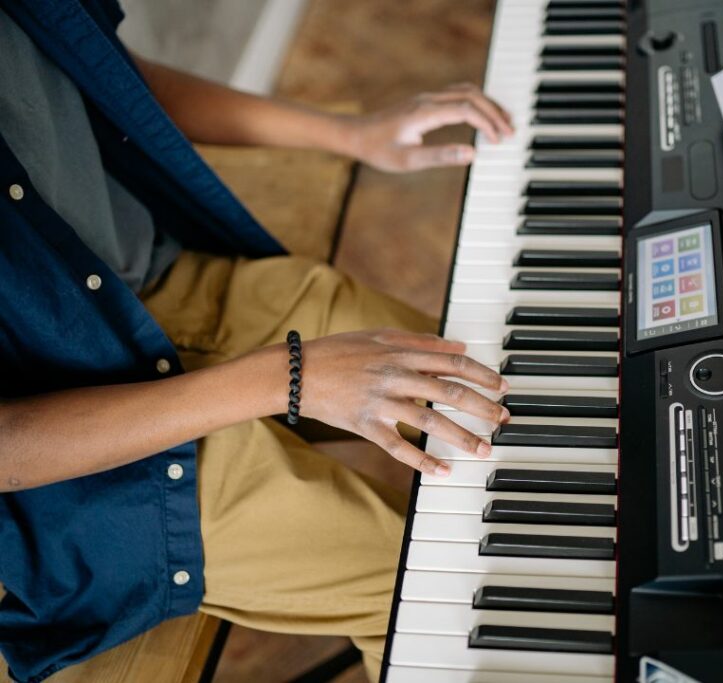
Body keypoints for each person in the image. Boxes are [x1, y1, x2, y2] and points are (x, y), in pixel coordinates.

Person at [0, 1, 515, 681]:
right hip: (68, 467)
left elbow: (104, 79)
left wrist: (353, 134)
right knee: (432, 593)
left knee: (494, 390)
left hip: (156, 287)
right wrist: (287, 376)